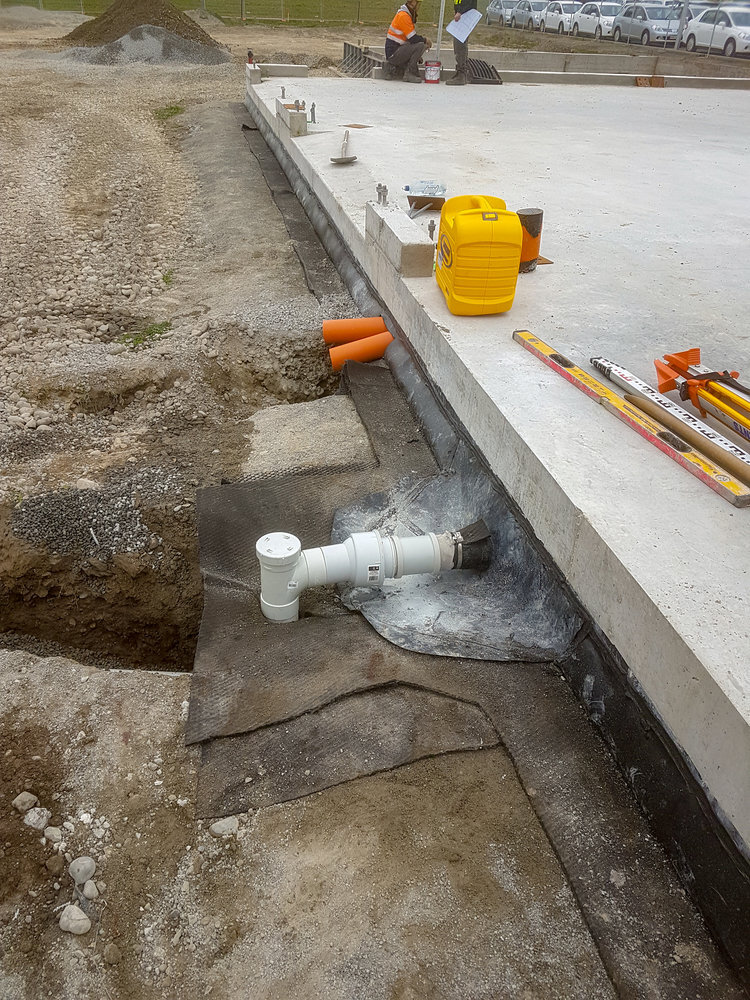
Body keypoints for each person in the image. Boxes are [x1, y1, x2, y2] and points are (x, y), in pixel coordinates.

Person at [385, 0, 432, 84]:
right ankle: (410, 74)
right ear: (413, 3)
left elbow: (407, 40)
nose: (418, 6)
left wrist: (415, 55)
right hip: (394, 53)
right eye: (417, 3)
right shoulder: (404, 16)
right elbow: (413, 38)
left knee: (418, 45)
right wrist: (426, 40)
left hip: (394, 51)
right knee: (421, 45)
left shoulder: (404, 14)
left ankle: (405, 70)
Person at [446, 0, 477, 86]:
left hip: (465, 16)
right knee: (458, 45)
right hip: (462, 16)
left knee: (460, 45)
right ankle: (461, 72)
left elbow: (469, 2)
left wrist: (460, 12)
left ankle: (461, 74)